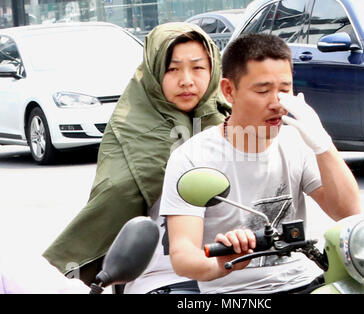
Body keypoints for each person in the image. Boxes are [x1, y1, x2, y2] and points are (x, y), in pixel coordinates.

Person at [159, 33, 361, 294]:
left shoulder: (298, 142)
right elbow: (183, 254)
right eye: (263, 91)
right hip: (235, 293)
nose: (277, 103)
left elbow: (347, 212)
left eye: (285, 90)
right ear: (229, 91)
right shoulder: (191, 157)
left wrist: (323, 144)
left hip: (304, 282)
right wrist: (223, 264)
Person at [42, 22, 231, 293]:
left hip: (231, 268)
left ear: (213, 70)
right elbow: (114, 196)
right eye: (172, 69)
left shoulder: (232, 122)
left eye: (198, 68)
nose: (187, 80)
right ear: (154, 72)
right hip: (155, 275)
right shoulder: (130, 126)